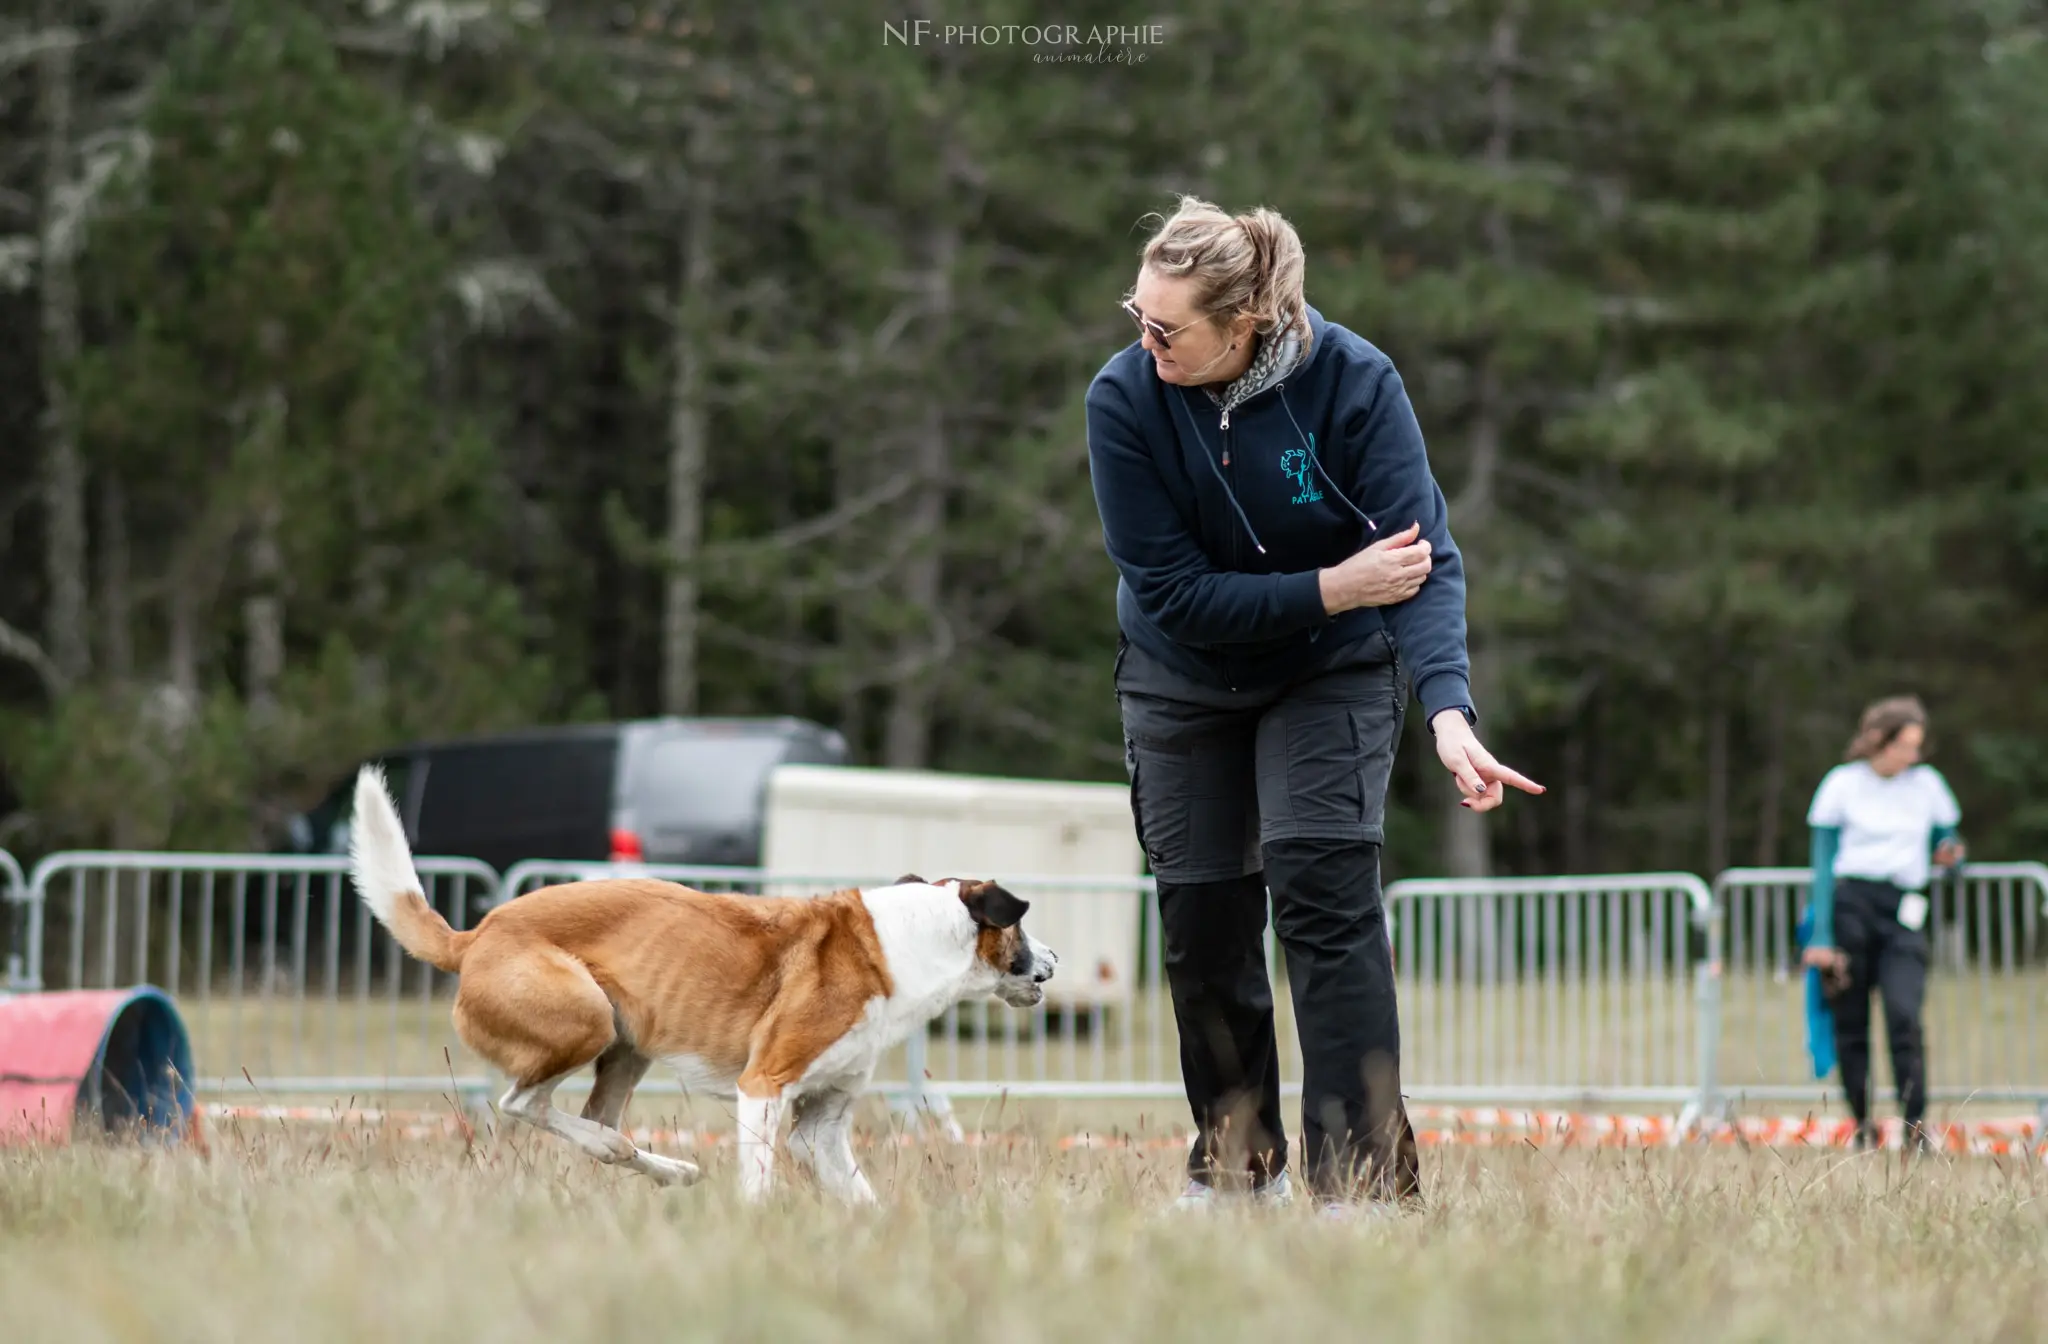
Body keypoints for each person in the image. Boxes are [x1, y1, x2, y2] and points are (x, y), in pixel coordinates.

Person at [1084, 196, 1542, 1214]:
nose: (1143, 340)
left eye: (1167, 327)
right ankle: (1235, 1170)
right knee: (1201, 923)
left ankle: (1363, 1189)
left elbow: (1420, 563)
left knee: (1322, 900)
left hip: (1328, 672)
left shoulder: (1354, 383)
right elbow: (1173, 595)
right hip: (1182, 673)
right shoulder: (1122, 400)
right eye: (1136, 315)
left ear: (1245, 322)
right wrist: (1335, 584)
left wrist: (1448, 712)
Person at [1800, 695, 1964, 1152]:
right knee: (1851, 1024)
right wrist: (1822, 935)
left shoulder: (1927, 785)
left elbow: (1946, 840)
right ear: (1878, 740)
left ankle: (1914, 1127)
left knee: (1904, 1016)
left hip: (1903, 909)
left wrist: (1952, 854)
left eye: (1917, 746)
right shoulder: (1842, 785)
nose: (1913, 755)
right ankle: (1863, 1127)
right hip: (1851, 905)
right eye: (1904, 745)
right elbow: (1823, 863)